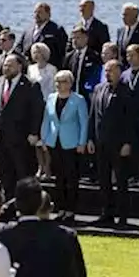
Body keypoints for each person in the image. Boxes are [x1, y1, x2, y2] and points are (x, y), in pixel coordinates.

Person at [0, 54, 43, 198]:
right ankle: (8, 203)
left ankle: (24, 205)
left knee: (22, 174)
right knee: (5, 173)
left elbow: (37, 111)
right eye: (5, 65)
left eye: (10, 65)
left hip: (21, 138)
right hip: (0, 137)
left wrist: (34, 132)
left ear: (19, 66)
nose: (6, 68)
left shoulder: (31, 85)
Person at [90, 60, 136, 227]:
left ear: (119, 72)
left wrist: (128, 142)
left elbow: (130, 120)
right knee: (103, 180)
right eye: (106, 70)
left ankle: (122, 216)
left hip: (118, 143)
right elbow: (93, 115)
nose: (108, 73)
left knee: (121, 180)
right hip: (100, 141)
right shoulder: (98, 89)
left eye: (111, 70)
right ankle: (106, 213)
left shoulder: (126, 91)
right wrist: (90, 138)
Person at [41, 70, 88, 221]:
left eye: (62, 81)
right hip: (55, 142)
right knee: (59, 177)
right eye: (57, 81)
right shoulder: (51, 98)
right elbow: (47, 120)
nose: (59, 85)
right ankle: (60, 208)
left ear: (69, 83)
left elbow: (84, 122)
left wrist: (82, 142)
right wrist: (44, 139)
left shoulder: (78, 99)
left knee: (71, 177)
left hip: (72, 143)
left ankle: (70, 209)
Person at [27, 42, 58, 178]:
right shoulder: (30, 69)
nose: (36, 55)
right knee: (37, 140)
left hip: (48, 105)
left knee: (47, 139)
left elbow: (55, 88)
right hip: (34, 106)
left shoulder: (52, 69)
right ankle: (40, 166)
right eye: (34, 52)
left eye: (39, 52)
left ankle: (48, 167)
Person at [16, 1, 67, 68]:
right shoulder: (28, 30)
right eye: (35, 12)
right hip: (29, 69)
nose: (36, 15)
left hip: (48, 69)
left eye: (40, 12)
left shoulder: (57, 30)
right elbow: (19, 48)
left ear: (48, 14)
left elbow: (62, 52)